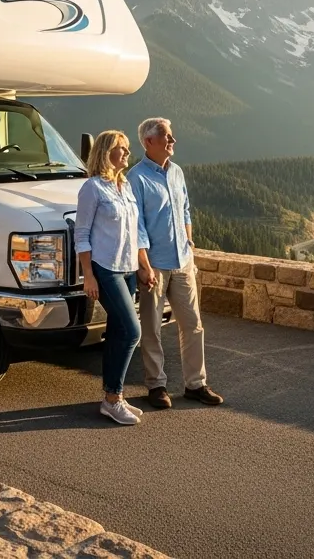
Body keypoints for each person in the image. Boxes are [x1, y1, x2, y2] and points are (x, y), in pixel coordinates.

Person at [129, 117, 224, 409]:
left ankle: (196, 384)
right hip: (154, 264)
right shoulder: (137, 178)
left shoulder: (177, 172)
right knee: (153, 328)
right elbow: (138, 225)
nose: (173, 141)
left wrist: (189, 240)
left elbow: (185, 209)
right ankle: (156, 385)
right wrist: (144, 266)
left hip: (182, 261)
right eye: (168, 137)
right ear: (149, 142)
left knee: (193, 325)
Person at [75, 130, 154, 425]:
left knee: (119, 332)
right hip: (105, 269)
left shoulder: (125, 186)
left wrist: (144, 266)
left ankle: (112, 397)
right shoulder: (92, 188)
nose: (127, 153)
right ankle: (113, 398)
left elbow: (138, 231)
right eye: (121, 148)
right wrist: (89, 276)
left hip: (128, 268)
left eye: (127, 148)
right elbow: (81, 234)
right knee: (132, 331)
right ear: (106, 151)